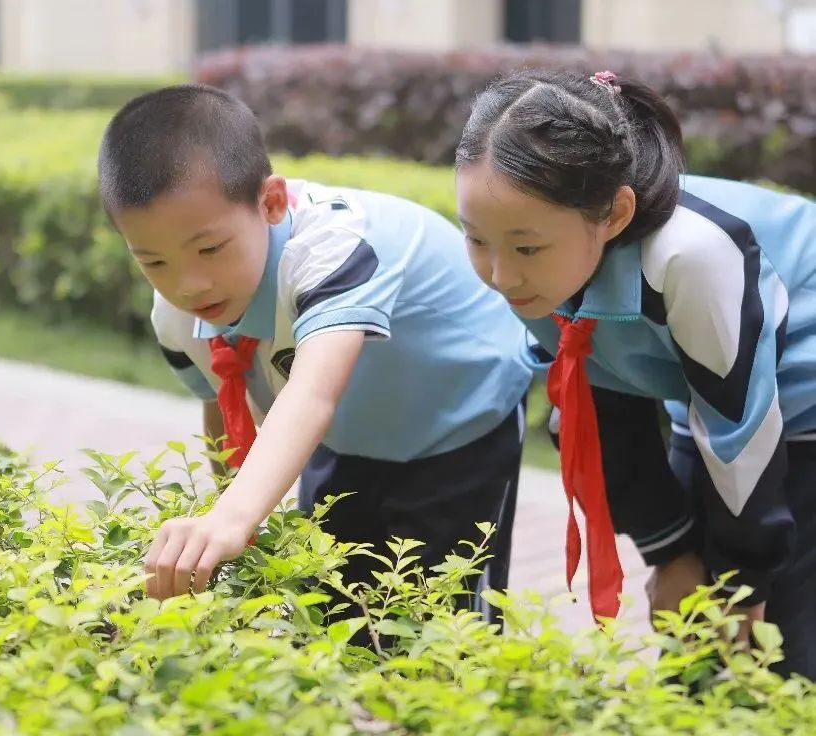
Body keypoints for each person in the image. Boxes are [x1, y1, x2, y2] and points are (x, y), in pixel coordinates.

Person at [97, 84, 531, 619]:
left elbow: (312, 392)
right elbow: (222, 402)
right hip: (346, 436)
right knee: (329, 614)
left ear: (271, 202)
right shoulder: (176, 313)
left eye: (210, 248)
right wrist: (231, 518)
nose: (188, 284)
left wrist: (232, 518)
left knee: (443, 628)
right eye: (154, 262)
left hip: (459, 426)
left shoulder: (333, 248)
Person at [454, 67, 816, 679]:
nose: (500, 274)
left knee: (783, 646)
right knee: (691, 634)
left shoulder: (694, 254)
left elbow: (742, 434)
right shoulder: (526, 267)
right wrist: (669, 552)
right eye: (476, 240)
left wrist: (745, 584)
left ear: (616, 214)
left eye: (526, 248)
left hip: (794, 407)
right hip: (706, 400)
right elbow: (598, 415)